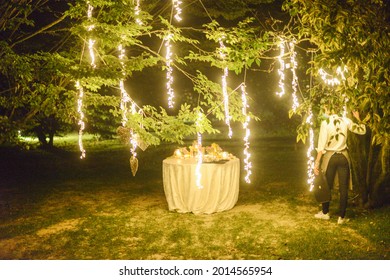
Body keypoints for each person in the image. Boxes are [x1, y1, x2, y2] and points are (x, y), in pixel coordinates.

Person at [314, 104, 366, 224]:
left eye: (326, 108)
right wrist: (358, 118)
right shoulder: (345, 120)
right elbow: (362, 130)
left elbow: (321, 146)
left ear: (330, 109)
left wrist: (316, 163)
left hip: (330, 157)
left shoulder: (325, 122)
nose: (324, 110)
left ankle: (325, 213)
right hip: (343, 157)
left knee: (326, 185)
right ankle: (341, 218)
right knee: (343, 188)